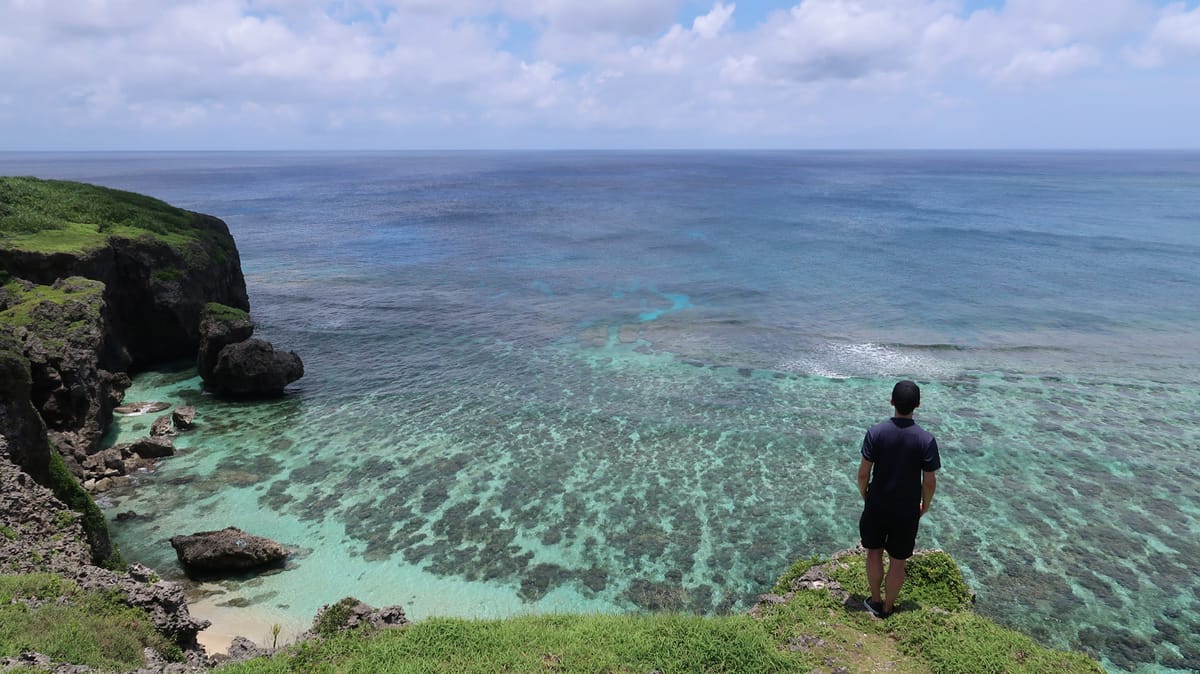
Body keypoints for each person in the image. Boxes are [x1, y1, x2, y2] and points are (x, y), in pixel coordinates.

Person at [857, 380, 941, 618]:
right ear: (918, 405)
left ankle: (874, 600)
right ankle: (888, 607)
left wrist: (865, 494)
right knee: (898, 561)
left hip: (877, 504)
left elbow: (864, 473)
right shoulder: (926, 440)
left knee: (873, 553)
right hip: (906, 510)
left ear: (891, 401)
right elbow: (930, 481)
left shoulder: (876, 433)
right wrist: (926, 505)